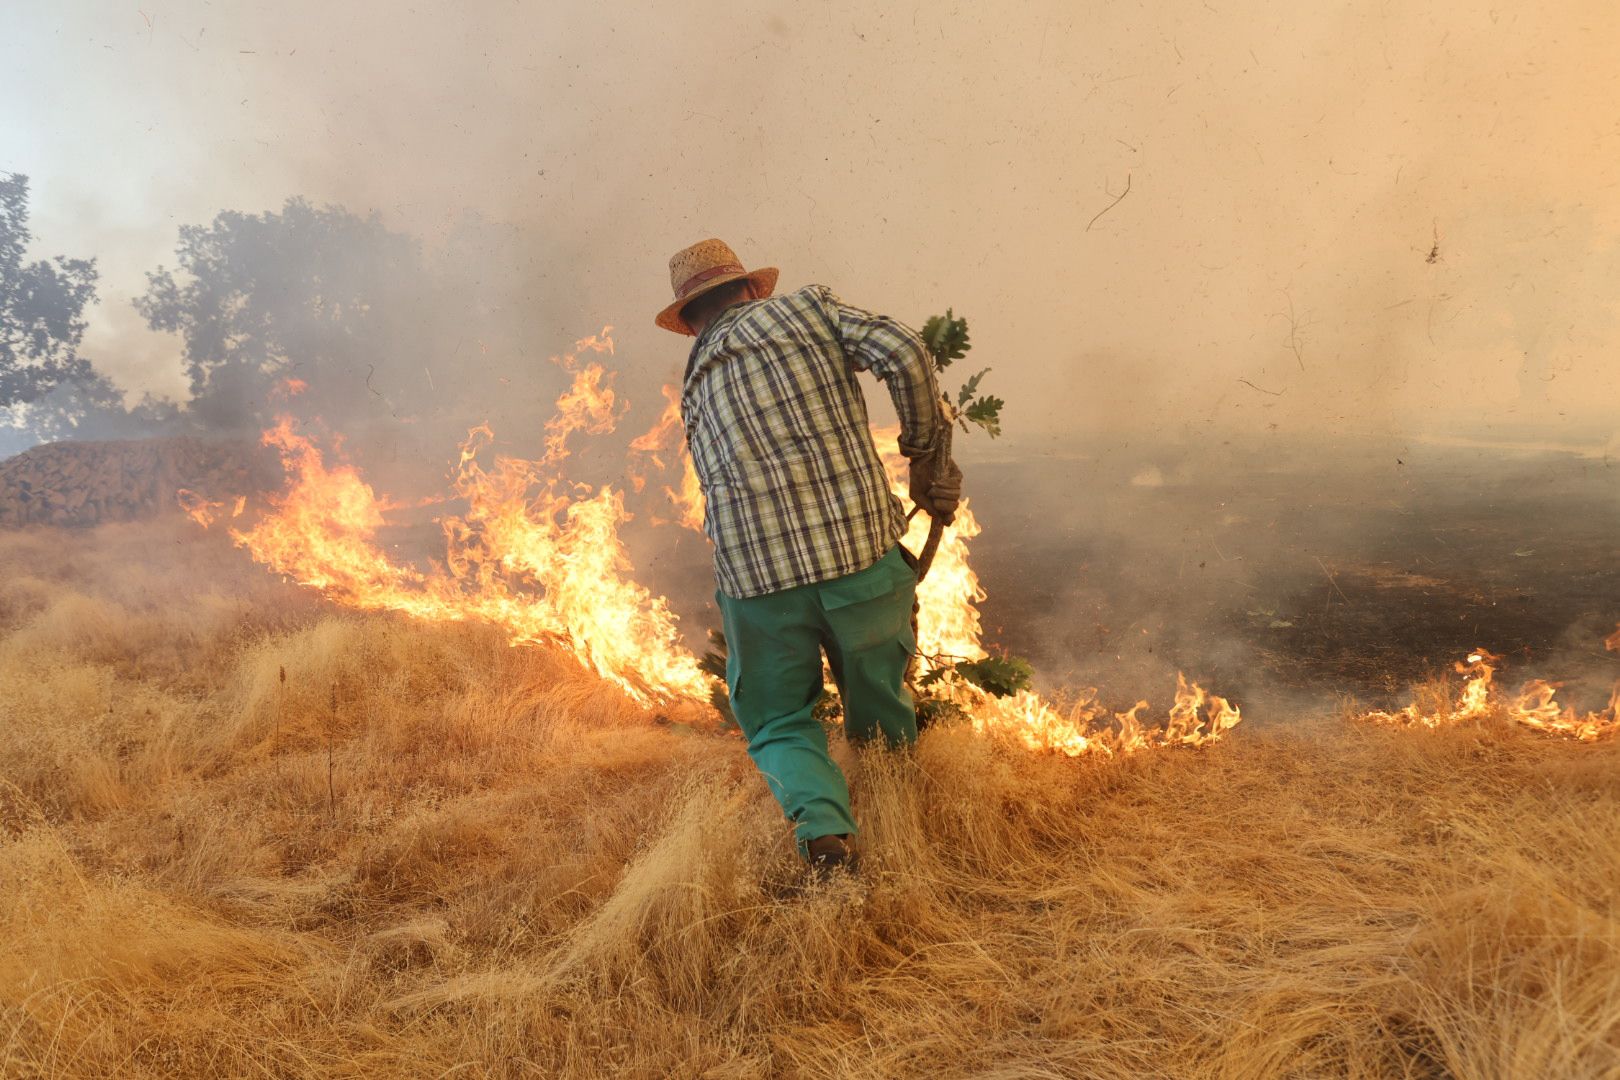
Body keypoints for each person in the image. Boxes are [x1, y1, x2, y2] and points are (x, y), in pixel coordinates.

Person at [655, 238, 962, 875]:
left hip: (758, 584)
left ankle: (823, 832)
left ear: (688, 321)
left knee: (777, 718)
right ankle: (898, 826)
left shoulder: (694, 382)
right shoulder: (809, 311)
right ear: (751, 288)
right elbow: (904, 349)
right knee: (878, 701)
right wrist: (925, 450)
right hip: (858, 559)